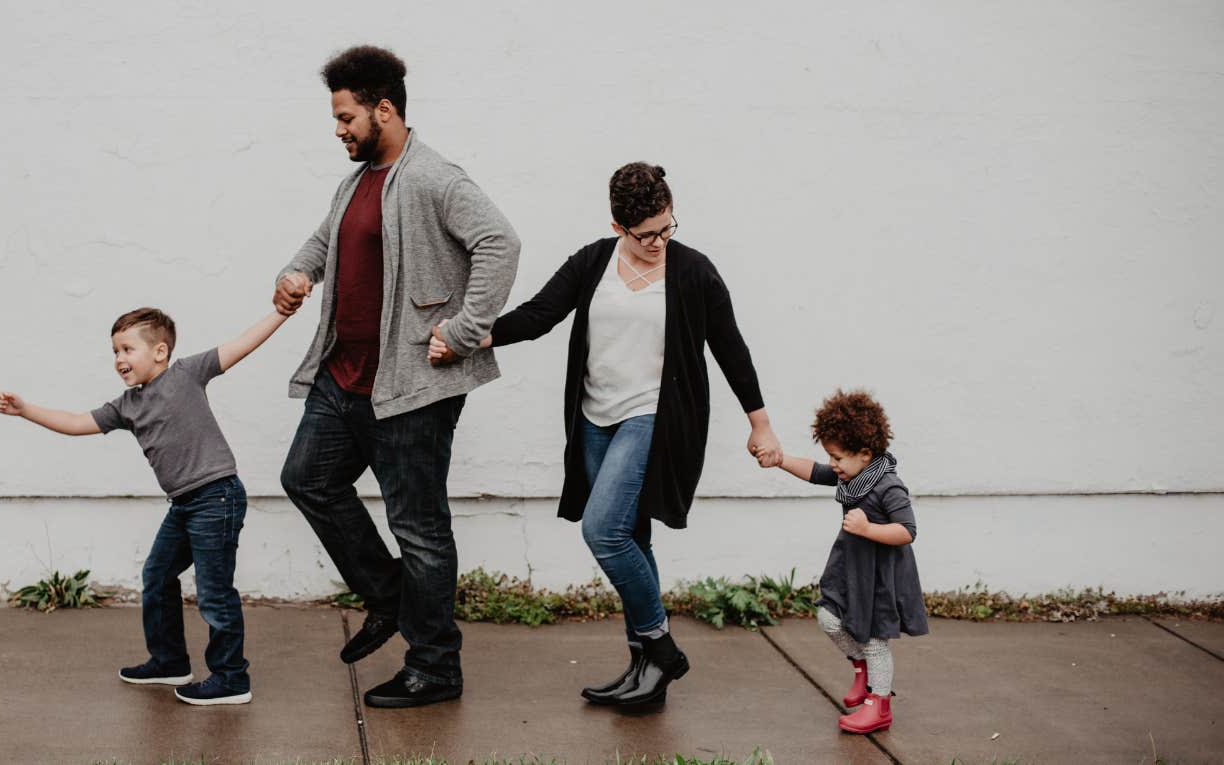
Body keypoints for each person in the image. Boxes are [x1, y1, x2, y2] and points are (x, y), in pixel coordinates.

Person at [431, 162, 782, 707]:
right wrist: (468, 338)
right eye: (646, 235)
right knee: (632, 538)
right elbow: (540, 314)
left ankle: (661, 648)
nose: (660, 242)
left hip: (653, 418)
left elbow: (730, 348)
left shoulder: (693, 272)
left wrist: (760, 423)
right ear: (619, 227)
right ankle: (646, 673)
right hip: (595, 420)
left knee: (603, 531)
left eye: (668, 228)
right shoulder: (594, 261)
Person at [274, 45, 520, 708]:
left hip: (410, 387)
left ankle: (436, 664)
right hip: (344, 376)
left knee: (420, 525)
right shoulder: (355, 181)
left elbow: (501, 242)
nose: (338, 129)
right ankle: (388, 598)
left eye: (346, 116)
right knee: (307, 478)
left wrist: (464, 330)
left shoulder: (434, 177)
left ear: (384, 109)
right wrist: (295, 275)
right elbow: (326, 240)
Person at [0, 306, 291, 706]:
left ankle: (231, 677)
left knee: (214, 592)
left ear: (160, 352)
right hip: (184, 504)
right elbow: (77, 422)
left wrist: (281, 313)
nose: (119, 360)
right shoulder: (127, 405)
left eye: (127, 349)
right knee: (157, 574)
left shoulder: (187, 373)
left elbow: (242, 344)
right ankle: (169, 661)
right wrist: (25, 410)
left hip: (216, 497)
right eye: (114, 351)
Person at [761, 389, 928, 733]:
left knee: (873, 639)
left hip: (880, 575)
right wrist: (780, 460)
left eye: (838, 457)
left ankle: (879, 704)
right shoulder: (850, 477)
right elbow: (815, 471)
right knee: (828, 617)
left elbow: (907, 531)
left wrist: (868, 528)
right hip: (851, 568)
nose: (833, 464)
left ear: (865, 454)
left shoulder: (888, 486)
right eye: (830, 456)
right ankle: (861, 668)